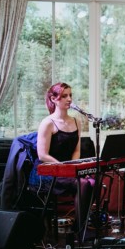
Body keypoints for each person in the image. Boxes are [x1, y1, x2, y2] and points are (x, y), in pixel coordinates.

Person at [36, 83, 94, 233]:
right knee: (84, 184)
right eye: (64, 96)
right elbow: (42, 155)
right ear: (53, 99)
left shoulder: (76, 121)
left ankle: (80, 225)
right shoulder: (47, 123)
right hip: (50, 171)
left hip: (69, 169)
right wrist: (63, 167)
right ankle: (81, 230)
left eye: (70, 95)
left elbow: (76, 150)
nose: (69, 99)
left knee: (94, 181)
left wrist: (74, 167)